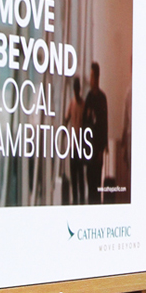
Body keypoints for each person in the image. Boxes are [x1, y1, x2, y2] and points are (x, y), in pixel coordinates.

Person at [82, 62, 109, 204]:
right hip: (89, 148)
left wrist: (101, 149)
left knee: (96, 182)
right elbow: (84, 123)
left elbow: (104, 124)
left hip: (96, 149)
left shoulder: (101, 98)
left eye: (93, 77)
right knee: (90, 180)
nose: (91, 80)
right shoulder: (89, 98)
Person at [66, 77, 85, 204]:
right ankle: (77, 200)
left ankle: (81, 201)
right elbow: (66, 118)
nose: (76, 92)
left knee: (79, 176)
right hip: (74, 145)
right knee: (75, 176)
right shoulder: (73, 103)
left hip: (79, 146)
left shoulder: (81, 104)